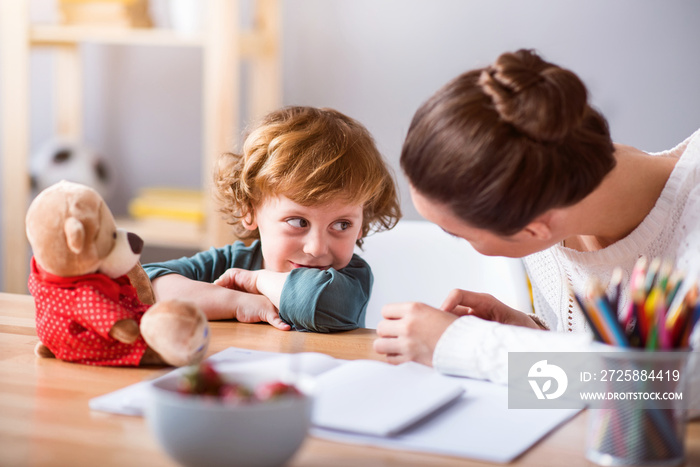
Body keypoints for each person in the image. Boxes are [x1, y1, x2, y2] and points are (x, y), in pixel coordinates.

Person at [374, 49, 700, 383]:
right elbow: (595, 379)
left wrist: (461, 345)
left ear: (534, 229)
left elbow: (676, 386)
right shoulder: (545, 198)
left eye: (458, 233)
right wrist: (534, 338)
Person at [144, 106, 401, 333]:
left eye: (342, 225)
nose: (317, 248)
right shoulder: (231, 263)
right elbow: (144, 285)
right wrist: (239, 303)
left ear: (361, 224)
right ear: (250, 210)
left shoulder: (351, 277)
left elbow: (320, 303)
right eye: (298, 222)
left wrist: (257, 281)